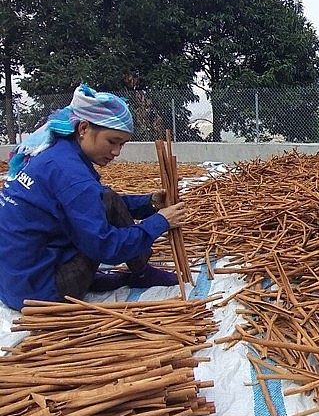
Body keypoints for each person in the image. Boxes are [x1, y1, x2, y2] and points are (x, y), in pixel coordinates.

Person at [0, 83, 186, 311]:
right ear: (84, 128)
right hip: (41, 293)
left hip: (13, 282)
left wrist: (149, 204)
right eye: (112, 141)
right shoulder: (73, 177)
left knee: (106, 197)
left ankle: (110, 275)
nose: (117, 152)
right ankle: (141, 272)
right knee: (99, 225)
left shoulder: (55, 154)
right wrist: (160, 222)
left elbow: (92, 204)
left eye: (122, 144)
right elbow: (106, 247)